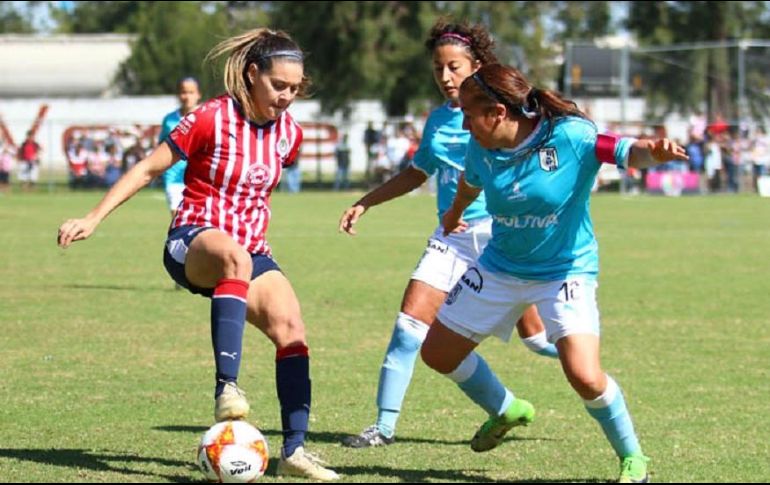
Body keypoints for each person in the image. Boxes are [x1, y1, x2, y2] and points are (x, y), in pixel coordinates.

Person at [57, 28, 338, 481]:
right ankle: (226, 388)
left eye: (295, 88)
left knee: (292, 328)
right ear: (252, 75)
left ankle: (295, 450)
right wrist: (94, 217)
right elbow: (149, 167)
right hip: (192, 239)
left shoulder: (290, 133)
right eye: (278, 85)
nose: (287, 96)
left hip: (250, 248)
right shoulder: (211, 116)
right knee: (234, 260)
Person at [421, 63, 688, 483]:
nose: (465, 125)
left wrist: (650, 152)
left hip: (565, 270)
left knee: (584, 375)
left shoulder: (568, 135)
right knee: (436, 353)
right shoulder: (481, 148)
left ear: (498, 112)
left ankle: (634, 459)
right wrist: (454, 214)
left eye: (470, 116)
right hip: (500, 265)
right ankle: (507, 408)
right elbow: (470, 184)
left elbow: (622, 150)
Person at [338, 20, 555, 449]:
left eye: (454, 67)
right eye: (438, 68)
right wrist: (367, 201)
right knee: (407, 329)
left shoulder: (507, 112)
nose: (445, 77)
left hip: (501, 240)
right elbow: (419, 172)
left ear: (476, 66)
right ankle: (383, 427)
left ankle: (591, 376)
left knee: (539, 341)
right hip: (451, 238)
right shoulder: (438, 120)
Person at [158, 77, 202, 219]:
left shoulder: (205, 116)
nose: (187, 96)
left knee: (200, 220)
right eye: (183, 92)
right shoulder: (169, 120)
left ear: (198, 94)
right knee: (178, 219)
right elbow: (161, 146)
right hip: (174, 176)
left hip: (200, 177)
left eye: (191, 92)